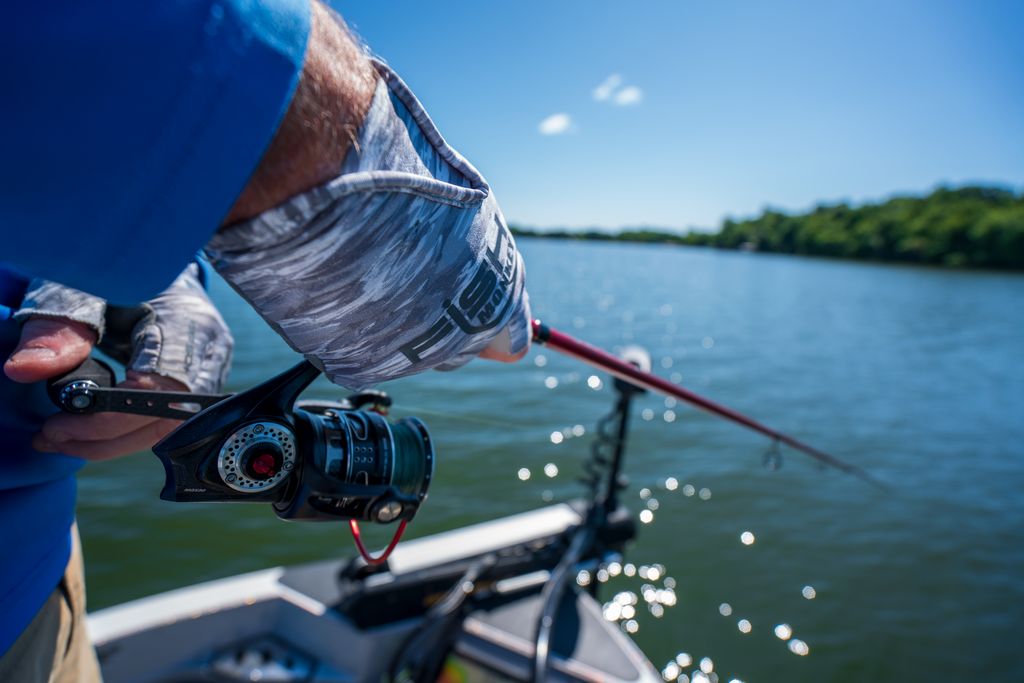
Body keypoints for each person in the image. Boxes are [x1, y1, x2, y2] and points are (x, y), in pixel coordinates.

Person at [0, 1, 531, 680]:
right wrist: (473, 293)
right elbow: (238, 87)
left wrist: (152, 271)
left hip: (29, 579)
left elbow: (63, 120)